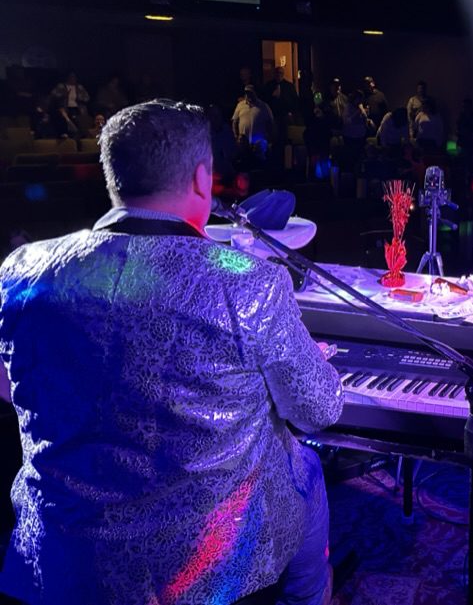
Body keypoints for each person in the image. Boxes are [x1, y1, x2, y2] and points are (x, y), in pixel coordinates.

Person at [0, 99, 344, 604]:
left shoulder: (21, 271)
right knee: (306, 466)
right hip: (210, 569)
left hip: (58, 560)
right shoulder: (250, 285)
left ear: (113, 178)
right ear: (203, 179)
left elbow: (12, 389)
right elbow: (319, 410)